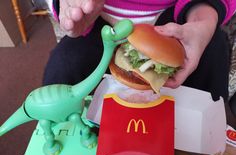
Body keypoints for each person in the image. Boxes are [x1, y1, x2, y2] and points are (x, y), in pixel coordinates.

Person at [43, 0, 236, 101]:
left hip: (173, 15)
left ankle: (204, 149)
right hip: (96, 18)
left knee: (213, 50)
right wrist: (68, 6)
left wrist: (203, 19)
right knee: (64, 64)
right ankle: (46, 140)